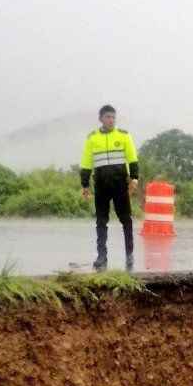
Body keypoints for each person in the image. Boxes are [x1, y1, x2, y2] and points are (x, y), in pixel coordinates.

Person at [80, 105, 139, 270]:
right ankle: (102, 255)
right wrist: (85, 184)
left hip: (120, 184)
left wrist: (134, 178)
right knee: (101, 221)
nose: (111, 119)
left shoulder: (124, 136)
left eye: (113, 117)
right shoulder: (92, 138)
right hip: (101, 186)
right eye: (107, 117)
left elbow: (132, 158)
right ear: (101, 119)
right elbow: (86, 162)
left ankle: (129, 254)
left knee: (126, 219)